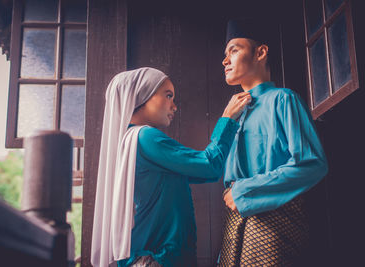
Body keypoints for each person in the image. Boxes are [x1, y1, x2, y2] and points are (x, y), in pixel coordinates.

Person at [91, 67, 251, 267]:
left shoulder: (128, 140)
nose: (174, 106)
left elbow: (198, 172)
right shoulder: (145, 136)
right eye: (168, 96)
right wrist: (228, 118)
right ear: (142, 96)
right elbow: (209, 166)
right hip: (157, 258)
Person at [218, 19, 328, 266]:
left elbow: (312, 164)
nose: (225, 60)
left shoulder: (283, 99)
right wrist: (226, 120)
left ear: (260, 52)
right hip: (234, 229)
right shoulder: (233, 113)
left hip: (273, 227)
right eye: (225, 54)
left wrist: (245, 191)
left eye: (234, 50)